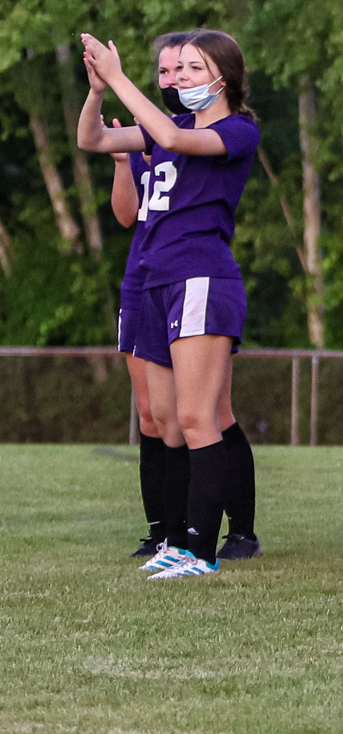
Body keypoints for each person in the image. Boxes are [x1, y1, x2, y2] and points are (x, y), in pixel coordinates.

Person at [77, 29, 259, 580]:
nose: (180, 80)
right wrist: (96, 92)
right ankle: (176, 542)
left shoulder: (238, 129)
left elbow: (176, 145)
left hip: (200, 277)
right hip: (153, 282)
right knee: (165, 423)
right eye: (176, 70)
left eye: (192, 70)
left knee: (197, 418)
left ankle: (203, 550)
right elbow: (94, 142)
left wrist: (119, 77)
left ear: (223, 78)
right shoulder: (171, 126)